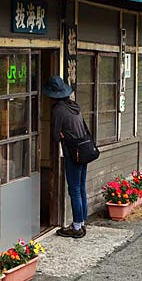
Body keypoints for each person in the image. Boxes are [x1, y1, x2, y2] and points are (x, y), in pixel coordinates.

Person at [43, 76, 89, 239]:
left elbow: (55, 135)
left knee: (74, 189)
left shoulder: (58, 110)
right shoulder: (74, 106)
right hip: (84, 150)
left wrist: (61, 134)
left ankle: (76, 227)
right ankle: (82, 222)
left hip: (72, 153)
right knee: (81, 187)